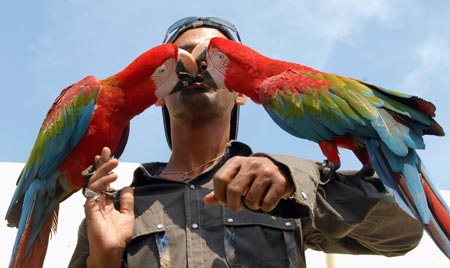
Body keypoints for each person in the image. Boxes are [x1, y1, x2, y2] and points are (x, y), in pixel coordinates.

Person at [69, 17, 423, 268]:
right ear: (158, 94)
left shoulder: (285, 189)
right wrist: (104, 261)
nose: (197, 67)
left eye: (217, 57)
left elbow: (403, 232)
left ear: (241, 93)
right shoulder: (112, 209)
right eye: (182, 58)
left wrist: (294, 179)